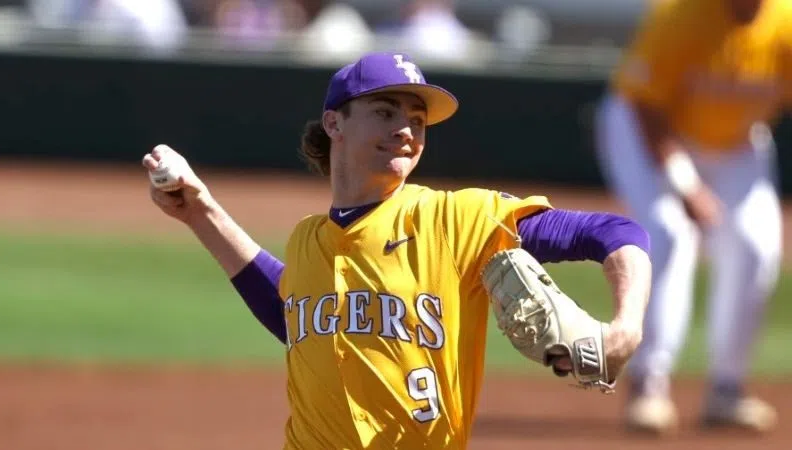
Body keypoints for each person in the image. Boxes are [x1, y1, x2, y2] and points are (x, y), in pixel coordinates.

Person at [142, 51, 652, 449]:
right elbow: (292, 314)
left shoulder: (457, 219)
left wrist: (626, 328)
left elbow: (616, 233)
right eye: (385, 112)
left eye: (417, 120)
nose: (405, 131)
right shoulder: (308, 239)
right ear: (334, 124)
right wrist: (200, 211)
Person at [594, 0, 790, 436]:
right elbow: (646, 107)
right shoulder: (679, 16)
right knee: (668, 235)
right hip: (647, 131)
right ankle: (648, 384)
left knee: (757, 248)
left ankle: (727, 390)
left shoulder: (786, 21)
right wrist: (684, 184)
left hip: (736, 141)